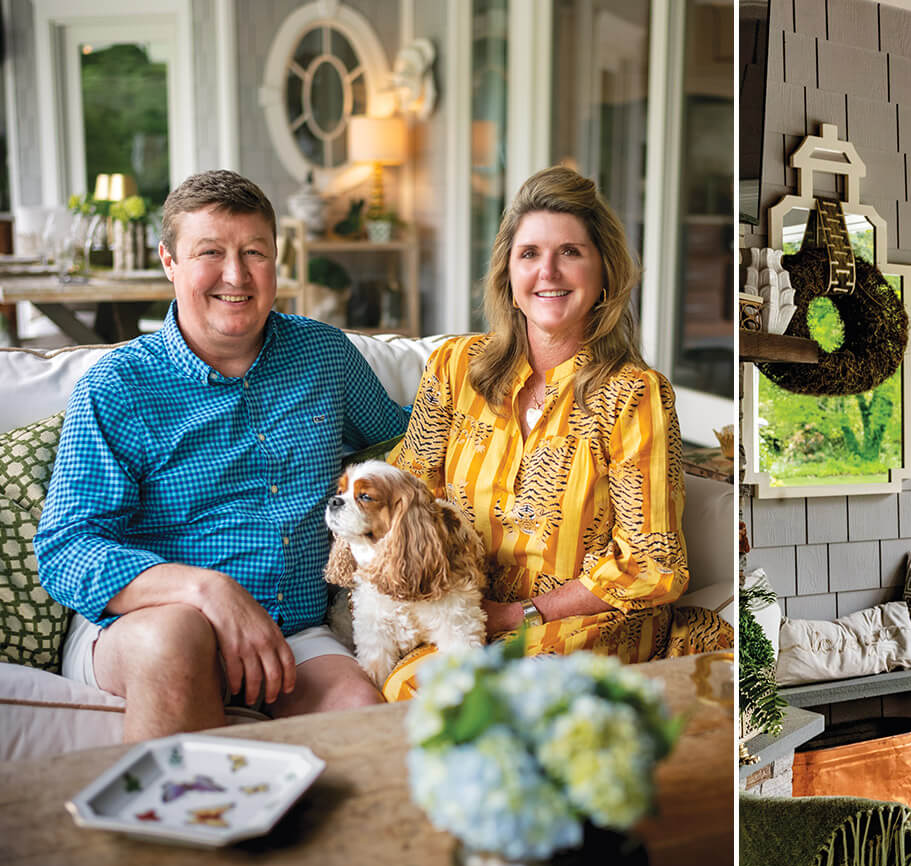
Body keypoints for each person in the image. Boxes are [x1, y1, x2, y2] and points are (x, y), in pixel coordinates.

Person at [36, 170, 410, 742]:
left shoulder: (325, 358)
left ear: (276, 261)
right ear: (169, 262)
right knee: (180, 638)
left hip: (293, 632)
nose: (235, 275)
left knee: (366, 720)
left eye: (254, 252)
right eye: (210, 252)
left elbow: (409, 445)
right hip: (149, 625)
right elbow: (66, 549)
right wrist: (205, 590)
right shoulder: (118, 384)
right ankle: (173, 827)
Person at [383, 166, 728, 700]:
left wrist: (516, 614)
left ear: (603, 273)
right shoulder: (455, 367)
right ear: (508, 277)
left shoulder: (635, 395)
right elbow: (405, 497)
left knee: (441, 698)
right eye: (530, 254)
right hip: (463, 614)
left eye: (570, 252)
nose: (548, 271)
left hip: (591, 622)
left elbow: (652, 564)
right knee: (411, 689)